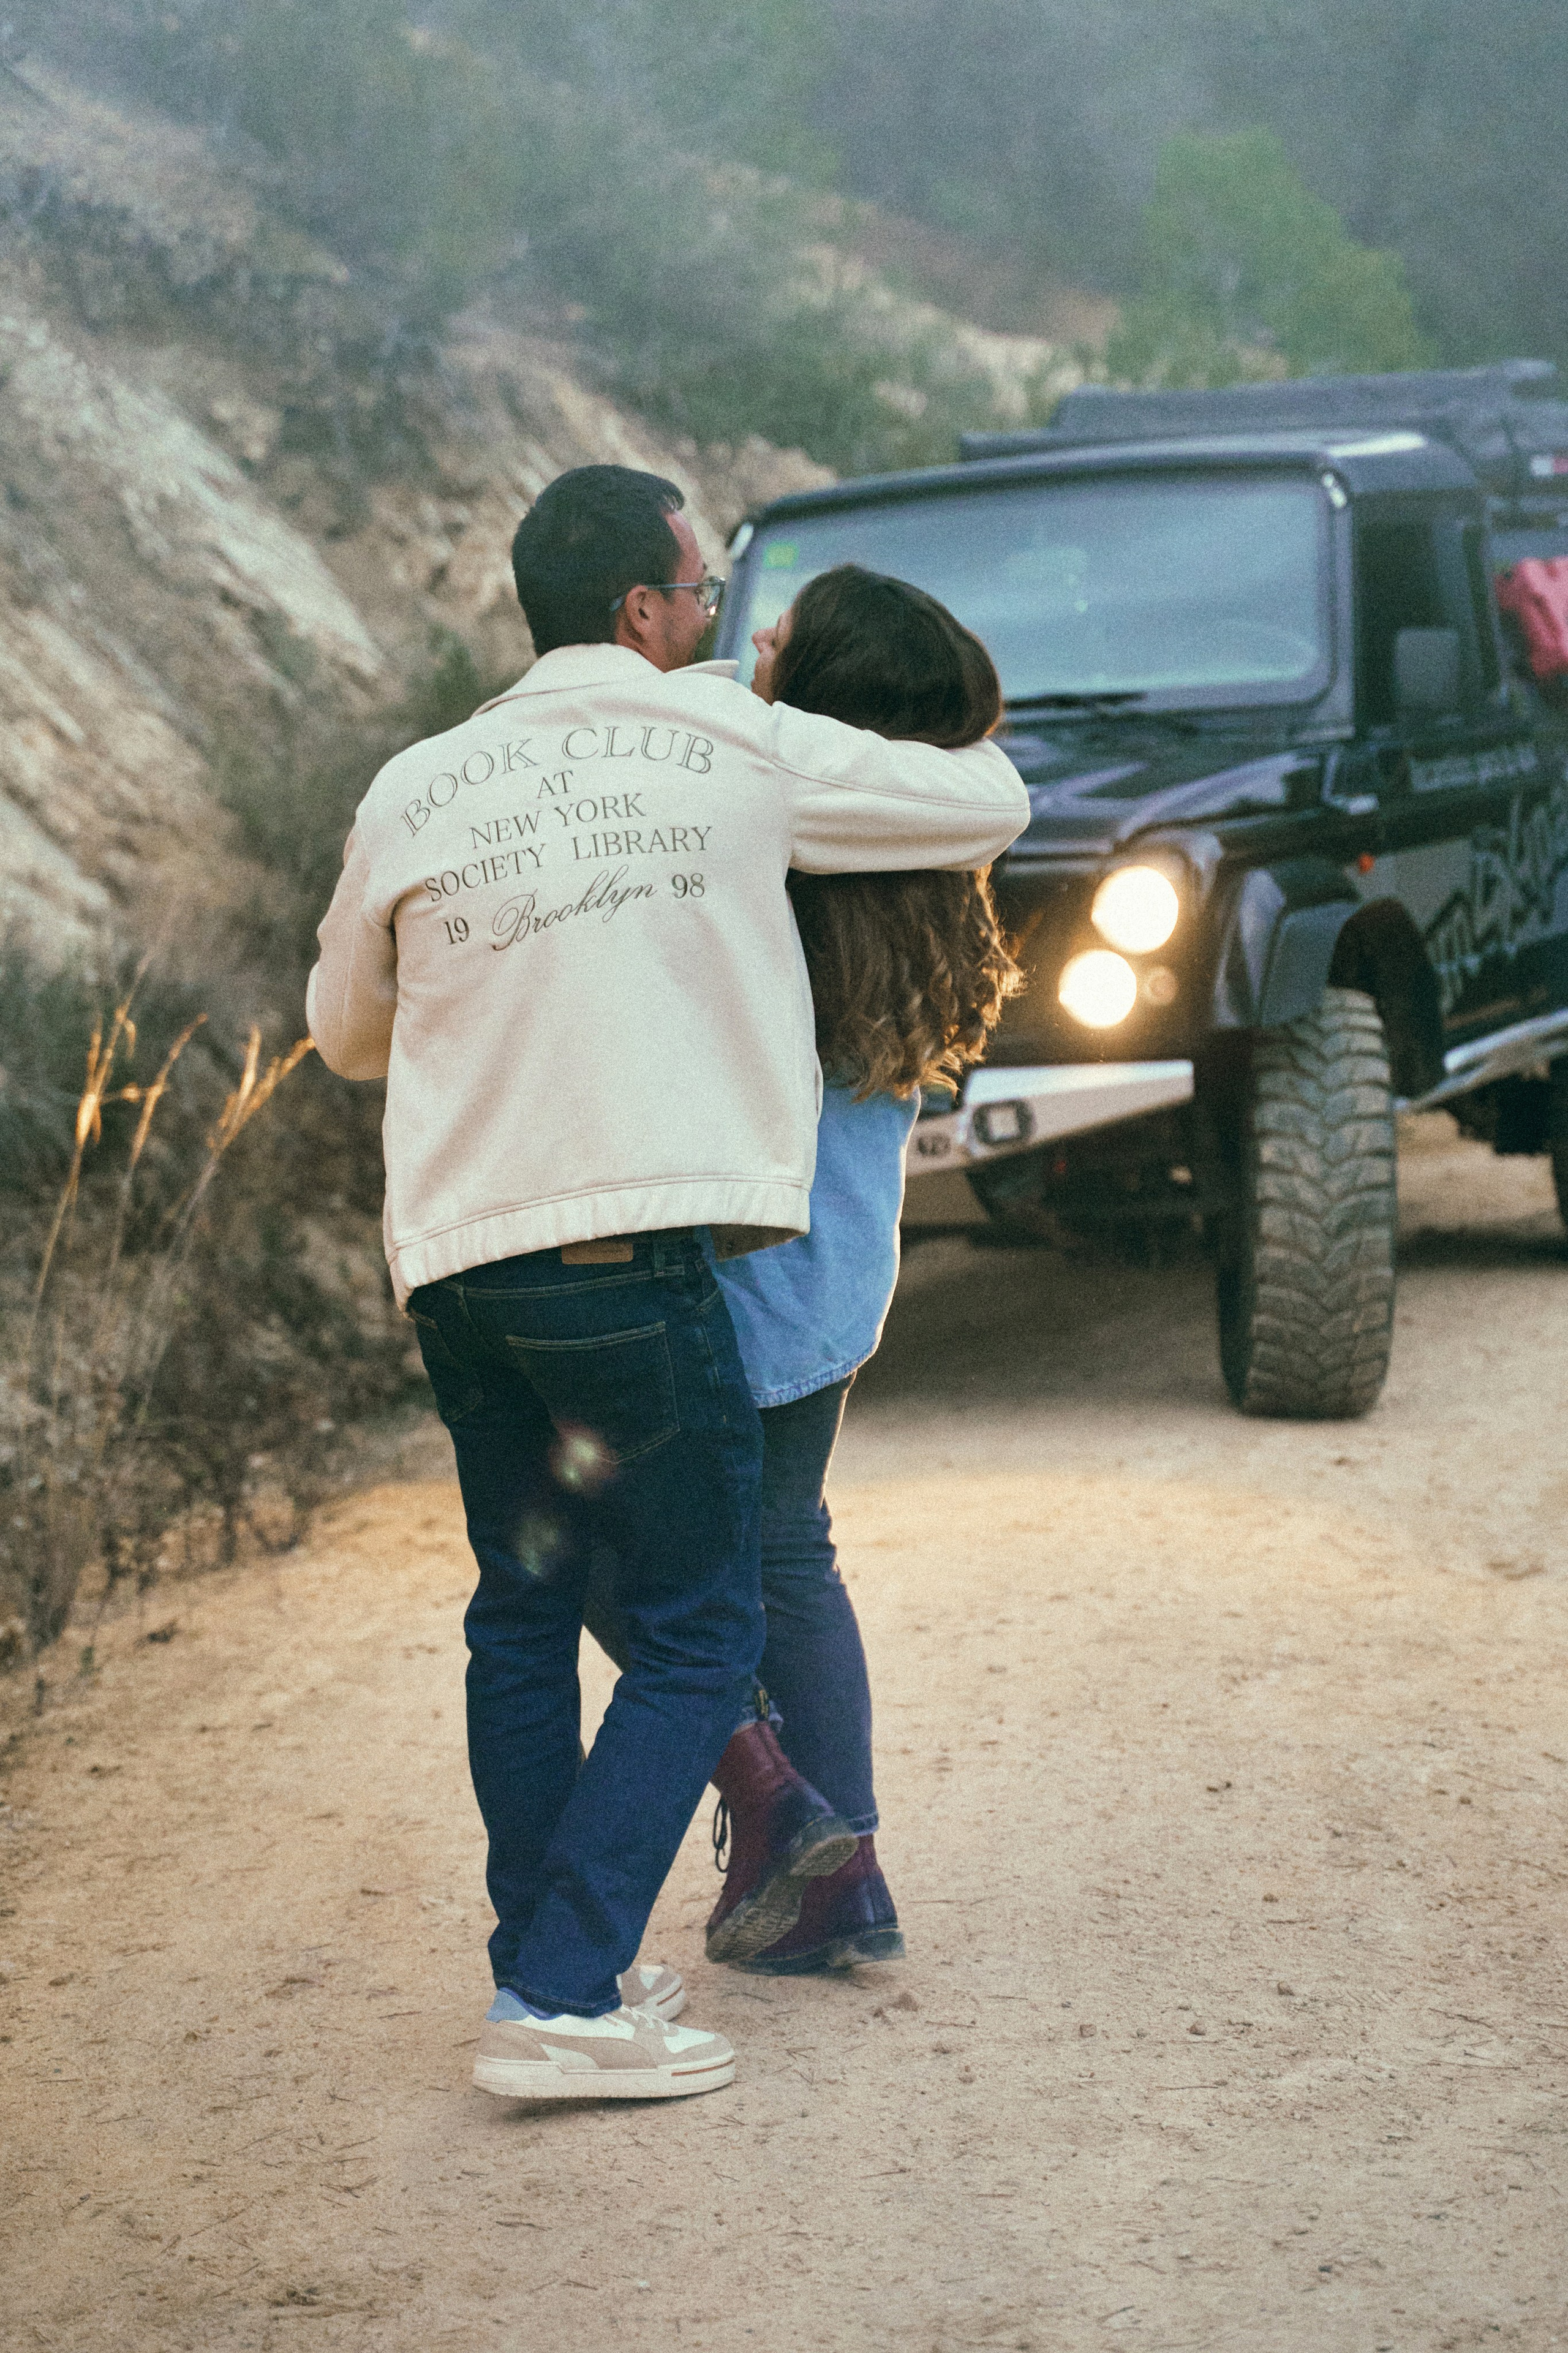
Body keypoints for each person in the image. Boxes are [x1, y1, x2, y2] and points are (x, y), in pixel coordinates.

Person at [306, 466, 1029, 2104]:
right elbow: (987, 800)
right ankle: (582, 1980)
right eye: (706, 595)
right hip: (635, 1255)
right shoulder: (727, 745)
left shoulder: (416, 780)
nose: (722, 624)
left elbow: (345, 1032)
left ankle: (549, 1958)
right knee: (710, 1616)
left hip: (461, 1256)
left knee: (526, 1611)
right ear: (643, 608)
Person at [583, 564, 1019, 1974]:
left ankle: (784, 1809)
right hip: (835, 1275)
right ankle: (842, 1860)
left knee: (599, 1536)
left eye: (784, 631)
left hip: (750, 1270)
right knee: (787, 1546)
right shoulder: (907, 861)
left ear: (827, 689)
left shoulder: (767, 846)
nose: (754, 631)